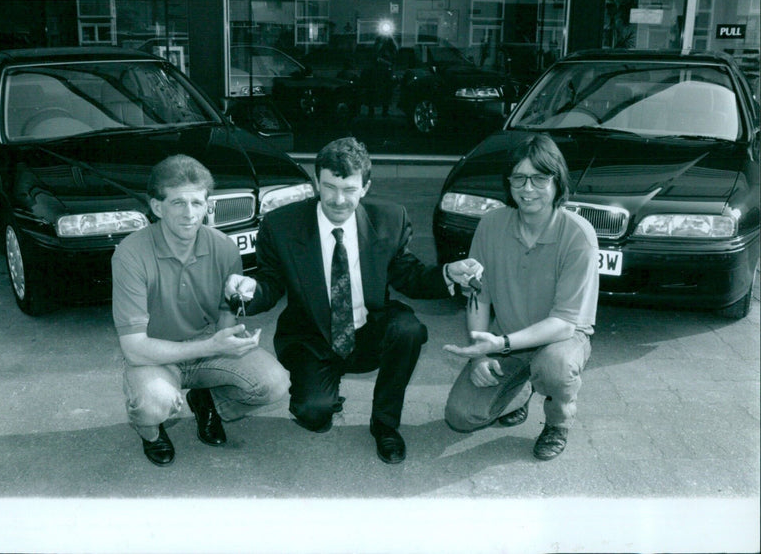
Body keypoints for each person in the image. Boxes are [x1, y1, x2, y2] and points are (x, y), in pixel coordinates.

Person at [226, 137, 482, 464]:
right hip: (310, 336)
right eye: (330, 187)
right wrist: (247, 291)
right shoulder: (281, 226)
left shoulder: (389, 219)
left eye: (349, 189)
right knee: (313, 413)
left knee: (408, 330)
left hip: (367, 328)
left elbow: (409, 275)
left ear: (366, 187)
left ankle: (385, 425)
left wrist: (447, 273)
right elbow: (270, 283)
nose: (338, 199)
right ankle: (323, 396)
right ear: (316, 182)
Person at [111, 154, 290, 467]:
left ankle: (208, 402)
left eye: (197, 203)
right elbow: (135, 348)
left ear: (208, 205)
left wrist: (232, 334)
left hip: (207, 347)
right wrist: (213, 345)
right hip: (155, 354)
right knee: (154, 404)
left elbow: (225, 316)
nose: (189, 214)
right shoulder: (131, 254)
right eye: (178, 203)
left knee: (275, 383)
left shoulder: (223, 247)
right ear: (157, 207)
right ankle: (151, 434)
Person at [443, 134, 599, 460]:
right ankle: (521, 389)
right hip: (509, 337)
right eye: (519, 178)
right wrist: (478, 354)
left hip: (562, 340)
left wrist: (499, 345)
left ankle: (558, 422)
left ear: (558, 181)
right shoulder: (491, 224)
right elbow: (478, 297)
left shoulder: (578, 234)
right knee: (460, 417)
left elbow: (562, 324)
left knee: (555, 367)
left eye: (540, 178)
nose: (528, 189)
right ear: (509, 183)